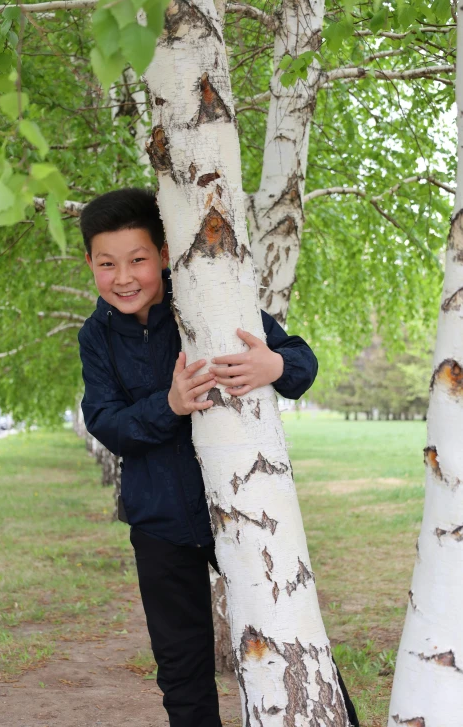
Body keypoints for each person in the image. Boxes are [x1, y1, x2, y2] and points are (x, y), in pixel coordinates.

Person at [78, 188, 359, 727]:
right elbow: (105, 421)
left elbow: (300, 361)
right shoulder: (96, 337)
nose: (124, 277)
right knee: (181, 667)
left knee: (292, 632)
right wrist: (169, 405)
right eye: (107, 263)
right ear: (89, 262)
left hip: (241, 507)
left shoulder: (206, 302)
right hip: (158, 524)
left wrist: (274, 366)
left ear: (163, 253)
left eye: (138, 259)